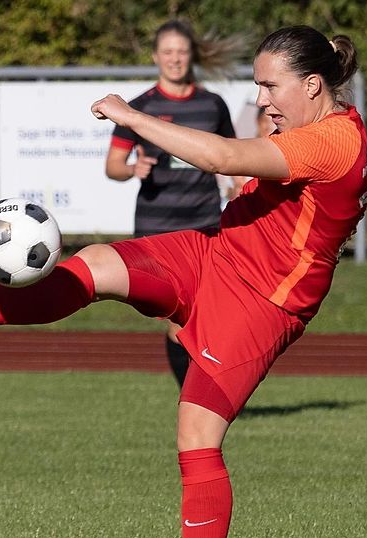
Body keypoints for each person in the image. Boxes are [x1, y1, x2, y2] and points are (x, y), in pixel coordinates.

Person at [0, 25, 367, 538]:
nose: (261, 99)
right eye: (258, 86)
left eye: (270, 87)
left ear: (313, 85)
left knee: (197, 437)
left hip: (261, 303)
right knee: (98, 263)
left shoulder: (334, 141)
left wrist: (134, 116)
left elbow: (222, 158)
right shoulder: (316, 125)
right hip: (216, 254)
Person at [104, 19, 240, 388]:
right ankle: (196, 396)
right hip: (157, 226)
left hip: (206, 222)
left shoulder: (212, 104)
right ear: (155, 57)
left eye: (181, 52)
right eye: (168, 52)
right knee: (180, 318)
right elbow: (113, 166)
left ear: (191, 56)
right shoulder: (139, 108)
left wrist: (239, 188)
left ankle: (200, 396)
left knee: (204, 314)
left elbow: (233, 157)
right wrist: (132, 169)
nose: (175, 59)